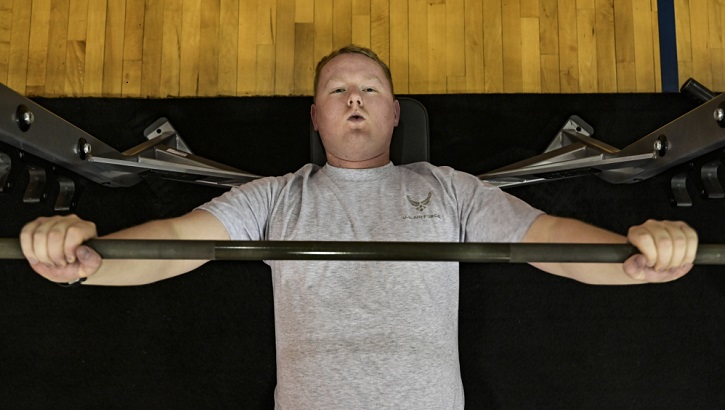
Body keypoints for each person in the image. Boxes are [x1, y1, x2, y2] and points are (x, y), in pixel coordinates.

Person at [20, 45, 698, 409]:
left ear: (395, 113)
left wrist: (629, 257)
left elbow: (544, 238)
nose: (352, 99)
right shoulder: (272, 199)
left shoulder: (450, 189)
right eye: (336, 91)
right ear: (314, 119)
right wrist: (91, 258)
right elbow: (175, 243)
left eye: (368, 89)